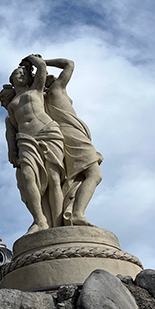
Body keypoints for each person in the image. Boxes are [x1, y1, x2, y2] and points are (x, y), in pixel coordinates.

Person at [0, 55, 66, 234]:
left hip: (48, 132)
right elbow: (12, 128)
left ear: (29, 78)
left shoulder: (36, 90)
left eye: (23, 73)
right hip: (26, 138)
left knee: (54, 179)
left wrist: (31, 60)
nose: (20, 75)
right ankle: (39, 220)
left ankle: (59, 223)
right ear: (12, 80)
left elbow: (42, 69)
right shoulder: (12, 105)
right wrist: (12, 149)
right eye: (16, 73)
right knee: (28, 176)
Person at [43, 58, 103, 226]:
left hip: (69, 133)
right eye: (51, 77)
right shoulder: (57, 89)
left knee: (79, 178)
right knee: (94, 175)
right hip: (73, 134)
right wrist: (44, 62)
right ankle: (77, 214)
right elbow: (69, 64)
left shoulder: (45, 100)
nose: (55, 78)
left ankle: (73, 213)